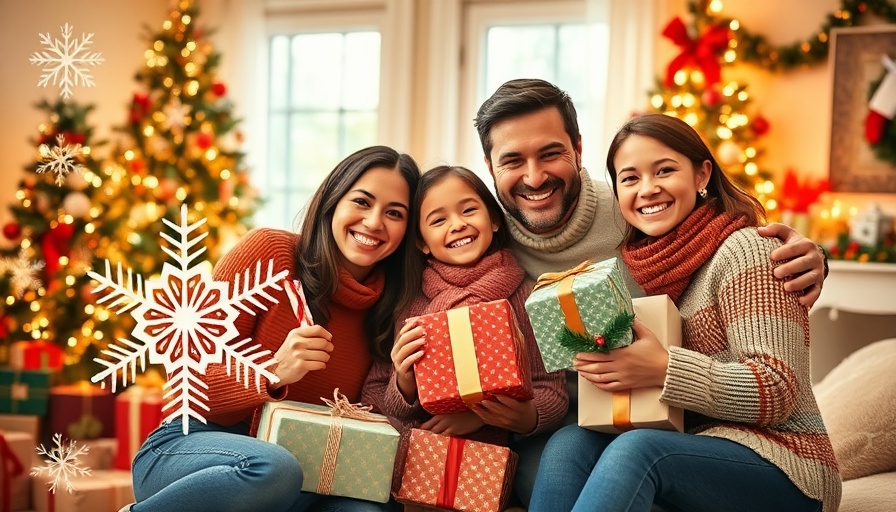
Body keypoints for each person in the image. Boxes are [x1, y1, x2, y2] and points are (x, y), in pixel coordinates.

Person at [472, 78, 829, 507]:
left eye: (664, 171)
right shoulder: (640, 248)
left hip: (779, 456)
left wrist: (816, 257)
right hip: (659, 430)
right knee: (569, 446)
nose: (646, 190)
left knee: (635, 452)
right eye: (631, 179)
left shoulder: (736, 246)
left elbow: (777, 383)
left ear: (702, 173)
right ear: (490, 167)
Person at [128, 146, 421, 512]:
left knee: (372, 509)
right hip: (194, 447)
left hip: (308, 475)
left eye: (394, 213)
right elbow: (186, 381)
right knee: (273, 467)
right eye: (362, 202)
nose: (375, 222)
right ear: (332, 201)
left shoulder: (394, 305)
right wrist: (271, 371)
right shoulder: (271, 254)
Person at [361, 165, 566, 446]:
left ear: (494, 220)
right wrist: (404, 382)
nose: (457, 224)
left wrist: (486, 417)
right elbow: (374, 398)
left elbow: (553, 392)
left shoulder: (530, 296)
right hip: (425, 457)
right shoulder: (409, 305)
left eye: (468, 210)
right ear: (422, 242)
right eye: (438, 220)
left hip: (499, 457)